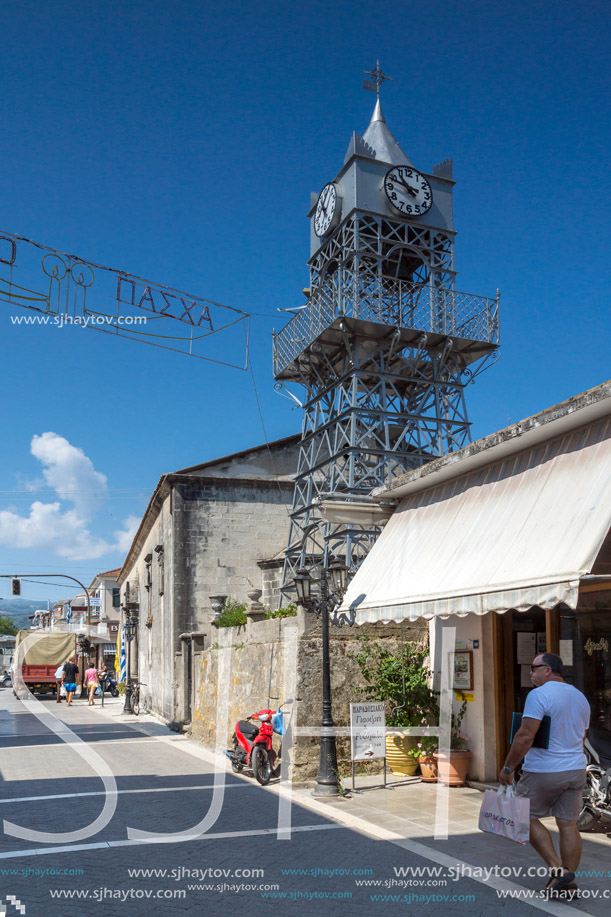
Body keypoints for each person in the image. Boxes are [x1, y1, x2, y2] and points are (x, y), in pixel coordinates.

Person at [499, 652, 590, 898]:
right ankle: (568, 884)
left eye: (534, 667)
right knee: (568, 824)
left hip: (545, 770)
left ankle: (559, 871)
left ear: (548, 670)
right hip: (575, 768)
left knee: (523, 816)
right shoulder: (580, 697)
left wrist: (509, 768)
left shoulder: (538, 695)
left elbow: (526, 735)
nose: (530, 673)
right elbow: (582, 736)